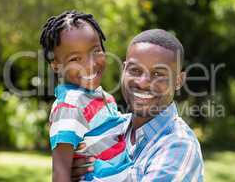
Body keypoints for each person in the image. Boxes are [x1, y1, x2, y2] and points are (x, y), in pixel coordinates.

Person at [72, 29, 204, 181]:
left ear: (179, 80)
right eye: (135, 70)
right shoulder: (110, 128)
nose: (142, 83)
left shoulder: (179, 145)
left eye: (158, 74)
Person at [40, 10, 132, 182]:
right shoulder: (70, 106)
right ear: (56, 66)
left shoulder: (102, 98)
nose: (89, 64)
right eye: (75, 59)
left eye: (96, 51)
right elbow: (60, 173)